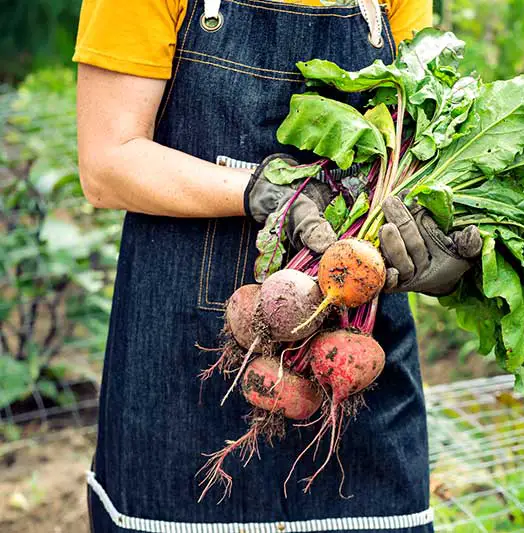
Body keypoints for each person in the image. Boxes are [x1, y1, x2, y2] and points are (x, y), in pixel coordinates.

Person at [74, 0, 480, 531]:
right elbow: (107, 162)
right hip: (190, 353)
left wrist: (432, 242)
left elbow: (412, 135)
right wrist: (257, 190)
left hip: (351, 350)